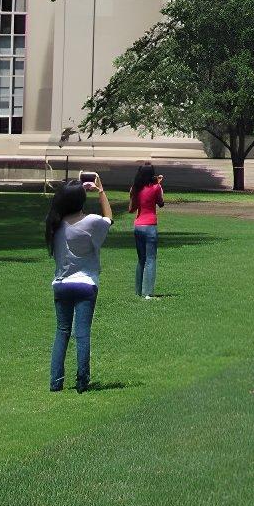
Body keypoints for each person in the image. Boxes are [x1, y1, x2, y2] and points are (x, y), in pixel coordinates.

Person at [47, 171, 115, 392]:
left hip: (61, 284)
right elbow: (108, 218)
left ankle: (56, 382)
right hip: (86, 283)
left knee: (62, 332)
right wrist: (101, 191)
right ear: (81, 201)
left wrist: (76, 193)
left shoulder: (55, 225)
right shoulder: (91, 222)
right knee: (82, 333)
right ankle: (82, 381)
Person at [129, 163, 164, 299]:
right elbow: (160, 203)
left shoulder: (135, 188)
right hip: (150, 225)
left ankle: (138, 290)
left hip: (138, 225)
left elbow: (131, 209)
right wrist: (159, 185)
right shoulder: (156, 187)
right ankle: (148, 292)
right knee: (151, 259)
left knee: (141, 259)